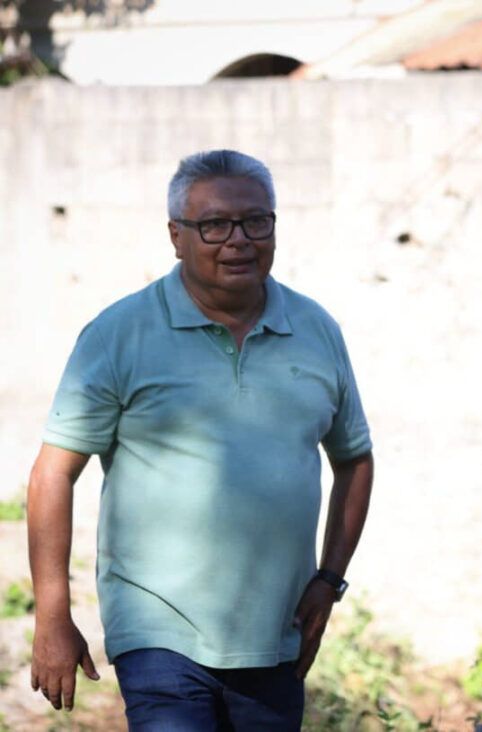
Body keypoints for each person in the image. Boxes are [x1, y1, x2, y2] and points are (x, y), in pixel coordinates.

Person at [26, 149, 374, 729]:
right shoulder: (119, 333)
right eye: (214, 224)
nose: (238, 239)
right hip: (157, 627)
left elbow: (355, 459)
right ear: (176, 236)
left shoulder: (316, 330)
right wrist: (52, 614)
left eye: (256, 221)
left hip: (275, 631)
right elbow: (52, 473)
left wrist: (329, 579)